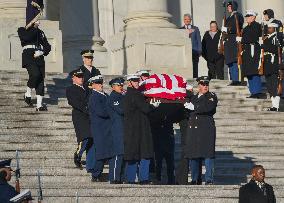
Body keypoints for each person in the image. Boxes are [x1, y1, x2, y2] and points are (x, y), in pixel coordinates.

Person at [122, 74, 160, 184]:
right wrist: (153, 106)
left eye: (137, 81)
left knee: (133, 155)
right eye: (134, 81)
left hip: (132, 130)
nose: (137, 83)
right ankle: (143, 178)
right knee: (144, 155)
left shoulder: (128, 95)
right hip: (140, 130)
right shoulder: (135, 95)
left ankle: (130, 179)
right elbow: (145, 109)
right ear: (129, 83)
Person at [183, 76, 218, 185]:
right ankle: (194, 179)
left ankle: (209, 179)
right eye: (203, 84)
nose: (205, 86)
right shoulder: (193, 98)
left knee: (208, 155)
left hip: (206, 129)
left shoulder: (211, 96)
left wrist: (195, 107)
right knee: (194, 155)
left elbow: (209, 107)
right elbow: (187, 110)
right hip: (194, 129)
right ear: (198, 86)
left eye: (207, 84)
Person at [17, 0, 51, 111]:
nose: (38, 21)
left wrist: (42, 52)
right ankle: (27, 93)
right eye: (36, 19)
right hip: (28, 56)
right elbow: (27, 38)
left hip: (39, 57)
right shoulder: (22, 30)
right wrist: (34, 28)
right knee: (35, 75)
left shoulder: (41, 33)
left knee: (40, 80)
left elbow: (47, 46)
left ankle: (39, 105)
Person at [66, 69, 93, 169]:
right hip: (80, 116)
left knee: (91, 138)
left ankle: (90, 161)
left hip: (90, 116)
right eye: (78, 76)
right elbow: (74, 102)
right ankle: (78, 155)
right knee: (84, 137)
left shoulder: (87, 88)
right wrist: (86, 109)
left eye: (82, 76)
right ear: (73, 78)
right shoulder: (70, 89)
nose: (81, 78)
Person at [88, 75, 113, 182]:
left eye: (101, 83)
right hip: (100, 129)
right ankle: (96, 174)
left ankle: (101, 173)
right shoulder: (94, 97)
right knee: (102, 153)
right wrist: (113, 111)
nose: (100, 85)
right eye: (98, 83)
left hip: (107, 128)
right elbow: (101, 112)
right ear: (92, 85)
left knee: (107, 152)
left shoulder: (104, 95)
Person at [240, 10, 263, 98]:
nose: (247, 18)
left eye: (249, 16)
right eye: (246, 16)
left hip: (254, 50)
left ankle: (257, 91)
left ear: (253, 17)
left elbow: (253, 38)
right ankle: (253, 91)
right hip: (247, 51)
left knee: (254, 71)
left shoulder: (257, 26)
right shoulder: (246, 28)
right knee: (249, 72)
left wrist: (241, 39)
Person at [107, 77, 126, 184]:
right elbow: (121, 110)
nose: (121, 87)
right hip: (117, 129)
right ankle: (114, 177)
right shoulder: (113, 97)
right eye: (119, 85)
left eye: (122, 85)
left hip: (123, 128)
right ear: (113, 86)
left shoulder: (121, 96)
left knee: (122, 154)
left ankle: (119, 177)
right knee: (117, 154)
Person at [222, 1, 244, 86]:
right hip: (229, 42)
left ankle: (236, 80)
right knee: (230, 61)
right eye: (228, 6)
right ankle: (233, 79)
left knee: (234, 61)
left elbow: (237, 27)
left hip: (234, 41)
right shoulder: (230, 17)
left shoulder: (237, 15)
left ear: (233, 7)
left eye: (230, 6)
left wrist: (227, 30)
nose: (228, 8)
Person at [263, 23, 282, 111]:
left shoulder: (276, 37)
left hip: (273, 63)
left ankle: (276, 106)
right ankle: (273, 105)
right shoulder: (268, 37)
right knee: (269, 86)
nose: (268, 29)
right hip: (267, 64)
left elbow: (276, 49)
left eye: (270, 28)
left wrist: (264, 46)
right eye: (268, 27)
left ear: (274, 28)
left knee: (275, 85)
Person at [180, 14, 202, 78]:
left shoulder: (195, 28)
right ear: (183, 20)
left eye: (188, 19)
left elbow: (198, 40)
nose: (187, 20)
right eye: (185, 19)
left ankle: (195, 80)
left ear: (190, 20)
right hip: (185, 51)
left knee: (195, 67)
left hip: (194, 51)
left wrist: (199, 51)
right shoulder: (180, 29)